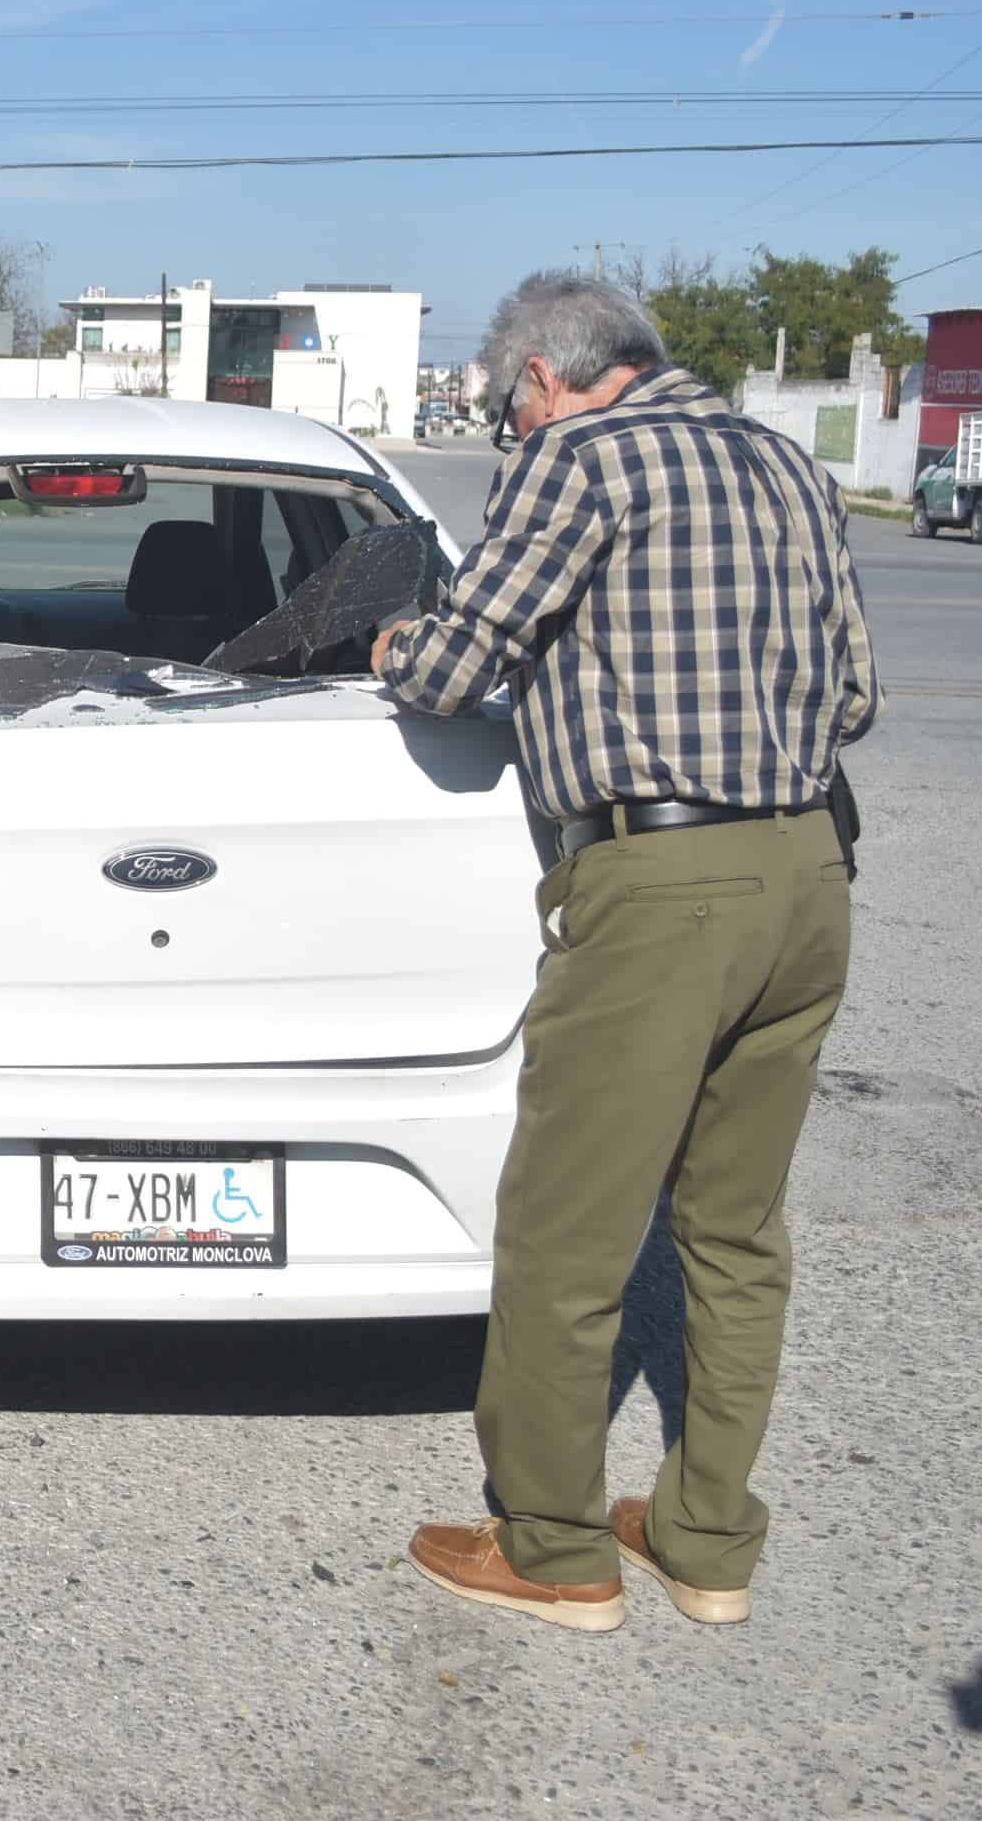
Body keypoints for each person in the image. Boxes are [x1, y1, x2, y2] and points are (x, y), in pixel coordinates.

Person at [372, 271, 875, 1634]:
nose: (512, 425)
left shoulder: (577, 465)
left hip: (659, 888)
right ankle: (708, 1539)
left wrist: (396, 634)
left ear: (541, 376)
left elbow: (447, 669)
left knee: (567, 1230)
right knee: (735, 1228)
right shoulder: (784, 465)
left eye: (507, 404)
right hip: (806, 871)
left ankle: (553, 1547)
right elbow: (853, 694)